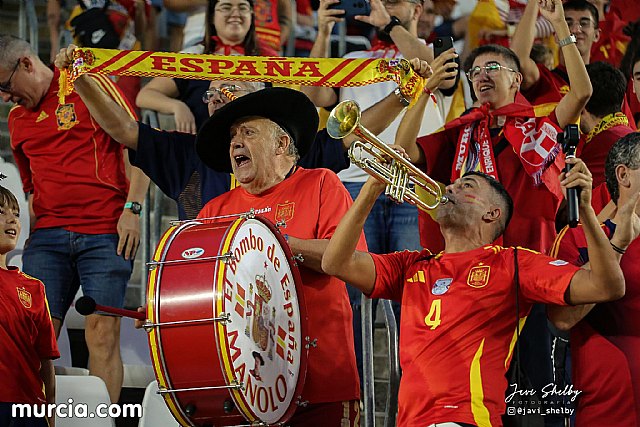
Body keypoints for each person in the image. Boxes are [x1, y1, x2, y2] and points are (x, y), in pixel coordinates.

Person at [321, 161, 627, 426]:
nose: (450, 190)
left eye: (465, 186)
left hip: (468, 419)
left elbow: (606, 285)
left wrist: (585, 210)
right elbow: (335, 261)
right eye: (452, 185)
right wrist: (370, 191)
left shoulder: (512, 262)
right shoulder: (412, 265)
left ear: (492, 214)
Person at [55, 45, 433, 220]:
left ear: (259, 97)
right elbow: (123, 128)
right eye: (211, 93)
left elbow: (353, 133)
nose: (217, 96)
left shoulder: (292, 149)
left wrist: (404, 94)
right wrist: (81, 80)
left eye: (230, 89)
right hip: (214, 285)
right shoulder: (187, 153)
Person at [196, 87, 366, 425]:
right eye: (232, 136)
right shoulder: (214, 210)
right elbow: (195, 284)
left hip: (322, 385)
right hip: (242, 395)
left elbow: (350, 260)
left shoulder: (322, 183)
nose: (234, 143)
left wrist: (273, 243)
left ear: (281, 144)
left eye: (247, 132)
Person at [2, 34, 149, 403]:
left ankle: (102, 421)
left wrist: (132, 210)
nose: (5, 97)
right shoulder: (17, 119)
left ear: (26, 64)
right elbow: (31, 187)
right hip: (48, 239)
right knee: (29, 337)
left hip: (105, 231)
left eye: (4, 85)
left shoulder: (85, 83)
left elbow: (139, 144)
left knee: (101, 332)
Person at [398, 0, 591, 253]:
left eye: (492, 67)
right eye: (474, 72)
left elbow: (581, 92)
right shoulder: (462, 132)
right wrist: (425, 90)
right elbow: (403, 149)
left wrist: (559, 26)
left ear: (516, 79)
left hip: (528, 254)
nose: (481, 76)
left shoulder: (539, 125)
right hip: (473, 255)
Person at [548, 132, 640, 426]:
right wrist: (617, 248)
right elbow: (562, 318)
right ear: (624, 175)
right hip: (610, 411)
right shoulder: (578, 237)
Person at [135, 0, 278, 134]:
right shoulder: (193, 56)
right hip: (199, 153)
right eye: (226, 7)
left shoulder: (267, 60)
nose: (235, 13)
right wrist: (177, 106)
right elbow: (145, 95)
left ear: (252, 16)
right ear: (212, 17)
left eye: (243, 8)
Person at [0, 185, 59, 427]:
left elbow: (46, 361)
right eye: (0, 211)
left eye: (15, 212)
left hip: (28, 410)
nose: (12, 218)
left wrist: (50, 415)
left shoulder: (34, 289)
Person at [512, 0, 599, 113]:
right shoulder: (544, 81)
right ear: (556, 36)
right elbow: (518, 60)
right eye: (568, 23)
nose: (576, 30)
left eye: (584, 23)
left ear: (597, 35)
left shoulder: (607, 82)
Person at [578, 61, 635, 187]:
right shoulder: (629, 134)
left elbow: (561, 197)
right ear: (621, 104)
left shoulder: (600, 145)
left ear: (581, 105)